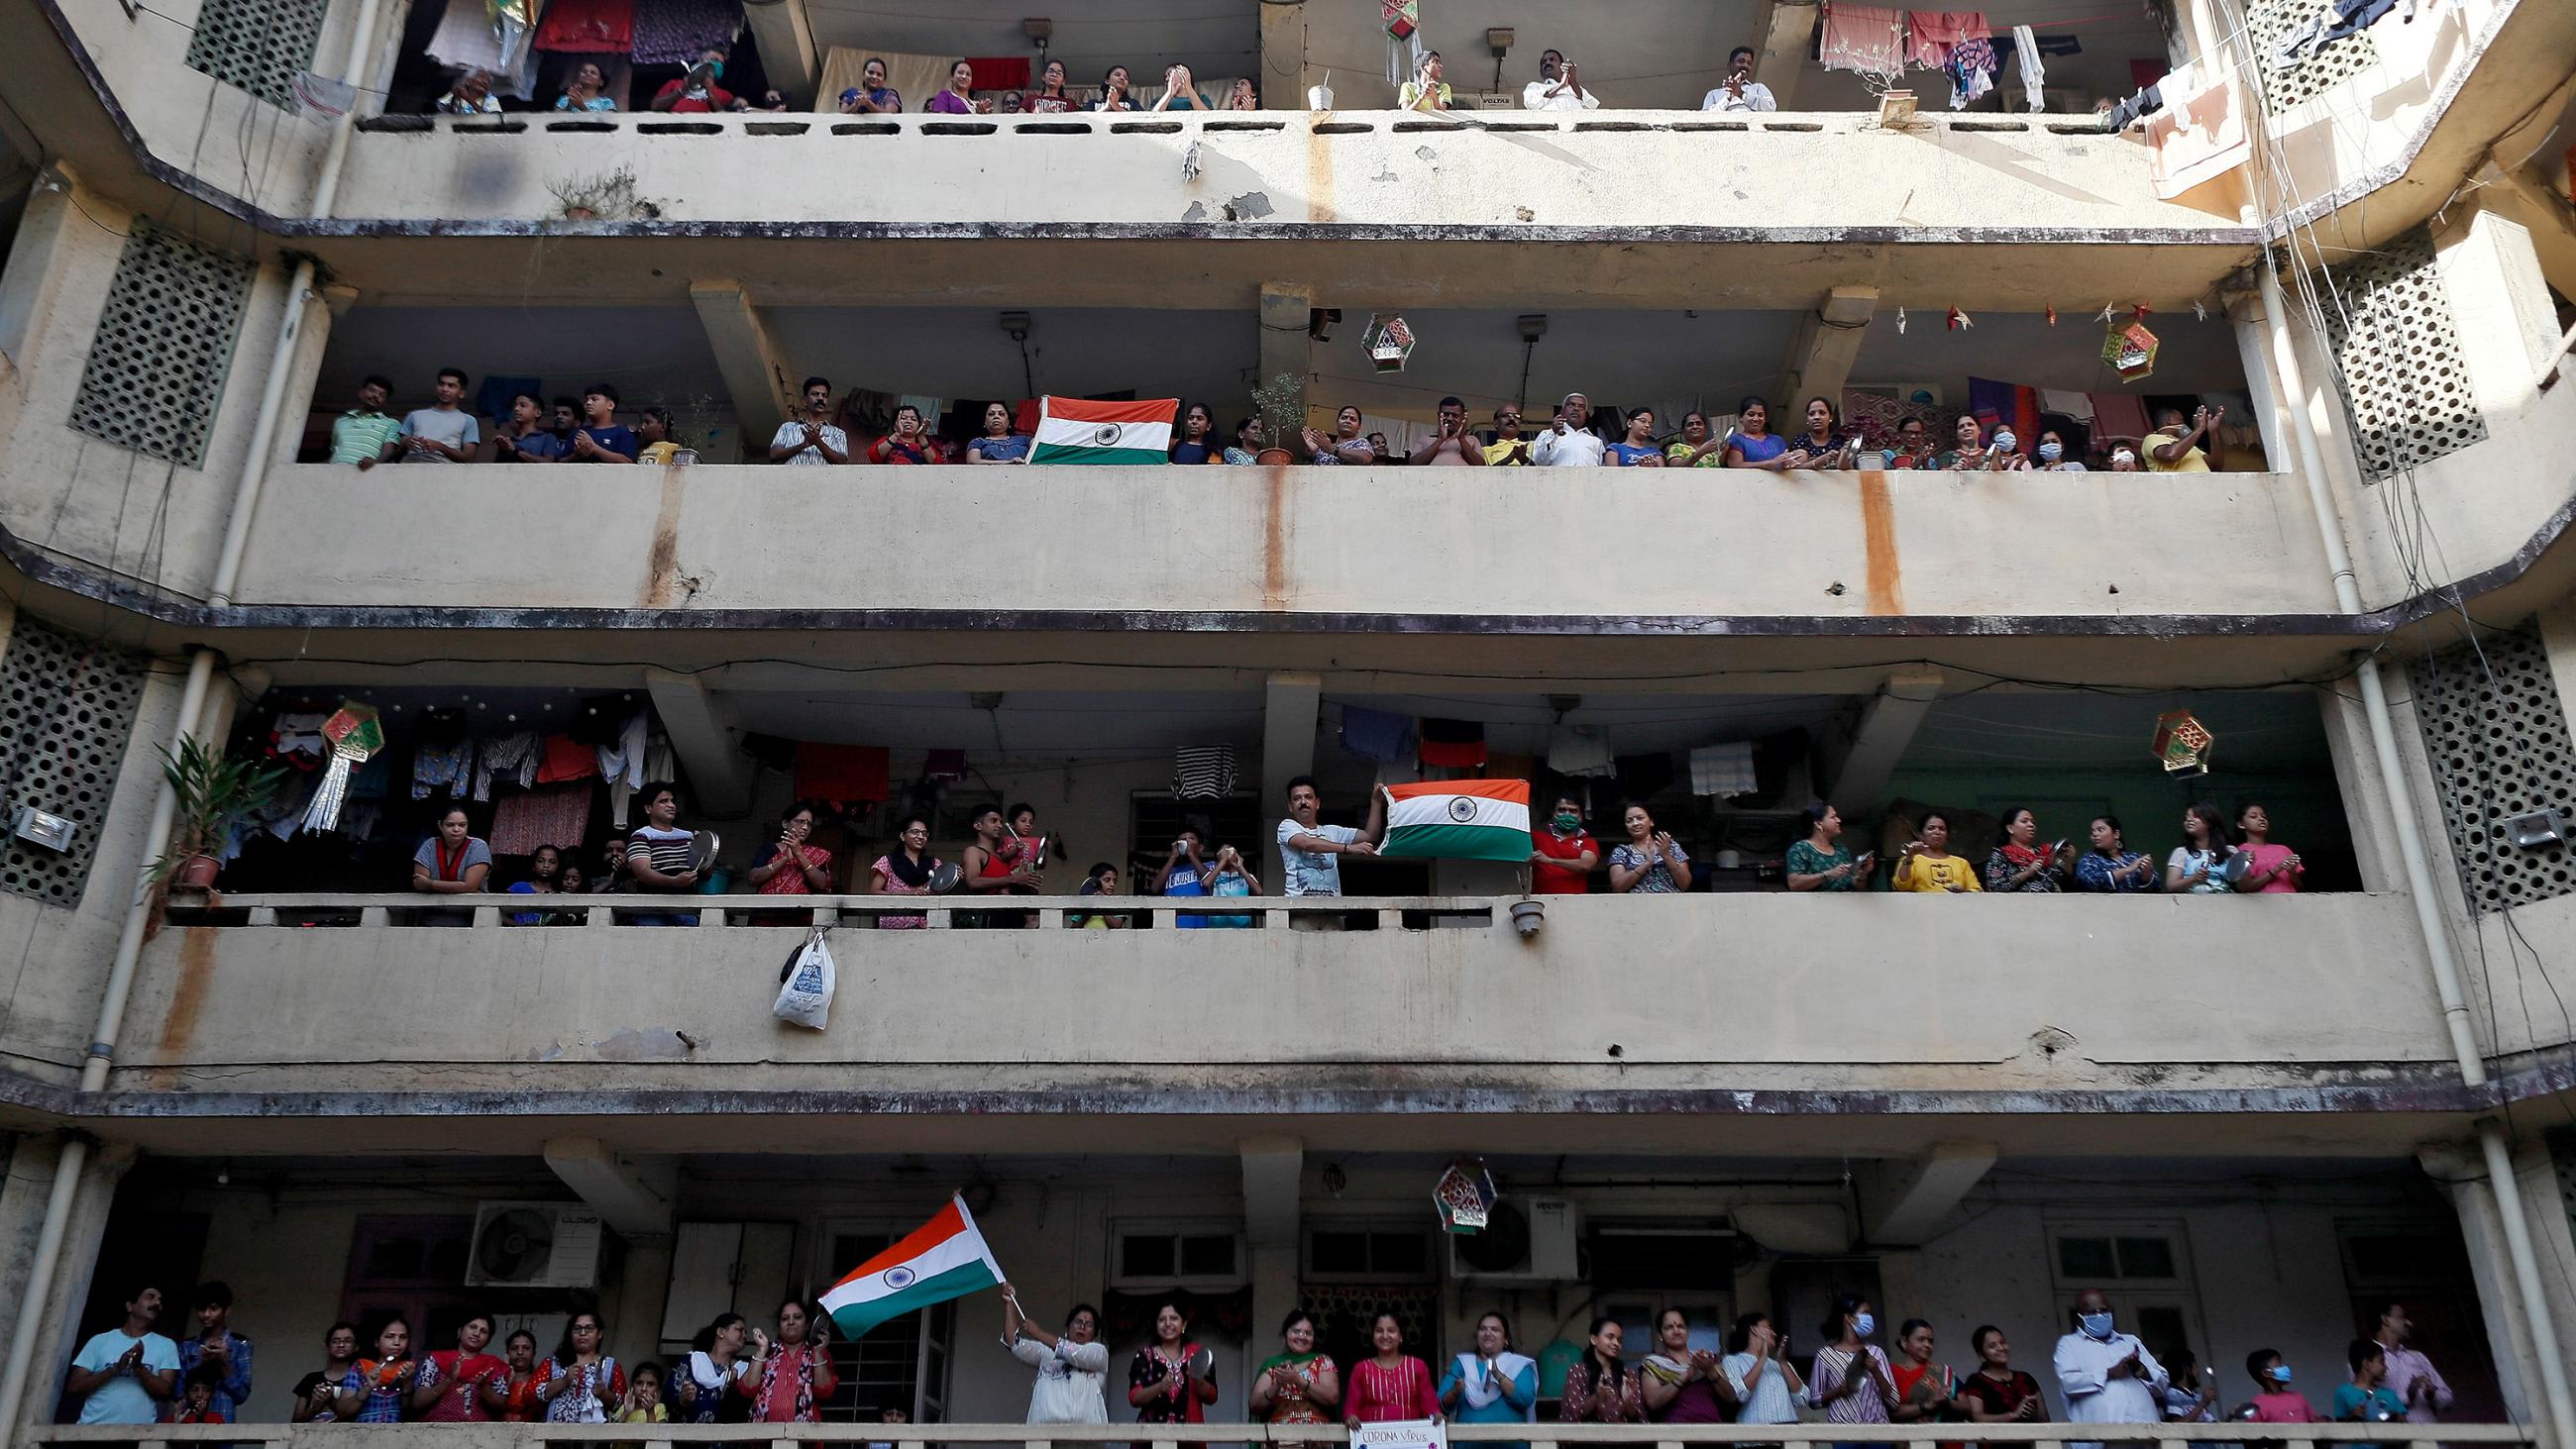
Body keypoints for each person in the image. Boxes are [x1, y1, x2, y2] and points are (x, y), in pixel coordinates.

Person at [2053, 1290, 2168, 1449]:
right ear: (2080, 1315)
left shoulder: (2130, 1342)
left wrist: (2139, 1368)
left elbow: (2162, 1385)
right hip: (2102, 1441)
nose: (2100, 1315)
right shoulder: (2069, 1344)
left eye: (2104, 1310)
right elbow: (2069, 1383)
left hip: (2147, 1436)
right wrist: (2109, 1373)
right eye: (2092, 1312)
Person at [64, 1281, 178, 1425]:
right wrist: (115, 1369)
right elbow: (74, 1386)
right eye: (150, 1297)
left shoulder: (166, 1345)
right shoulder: (100, 1341)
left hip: (137, 1435)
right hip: (91, 1431)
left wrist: (138, 1368)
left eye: (160, 1301)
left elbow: (165, 1392)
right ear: (130, 1306)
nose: (157, 1303)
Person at [1003, 1287, 1109, 1423]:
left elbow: (1074, 1353)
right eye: (1078, 1322)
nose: (1082, 1327)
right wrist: (1009, 1303)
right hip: (1045, 1436)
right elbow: (1014, 1343)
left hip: (1085, 1438)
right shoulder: (1046, 1352)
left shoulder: (1099, 1353)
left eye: (1089, 1324)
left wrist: (1038, 1333)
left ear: (1094, 1334)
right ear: (1067, 1328)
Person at [1278, 774, 1387, 902]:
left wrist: (1376, 802)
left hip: (1333, 908)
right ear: (1290, 806)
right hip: (1299, 908)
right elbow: (1307, 844)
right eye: (1297, 798)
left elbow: (1370, 836)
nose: (1303, 802)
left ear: (1317, 803)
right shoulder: (1286, 826)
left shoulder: (1332, 831)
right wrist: (1349, 848)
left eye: (1308, 797)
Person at [1808, 1294, 1899, 1434]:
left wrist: (1876, 1371)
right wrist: (1837, 1391)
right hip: (1843, 1433)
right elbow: (1814, 1401)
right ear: (1848, 1318)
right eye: (1865, 1313)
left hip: (1878, 1431)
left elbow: (1894, 1400)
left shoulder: (1876, 1353)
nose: (1870, 1318)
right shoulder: (1825, 1355)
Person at [1439, 1311, 1535, 1440]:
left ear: (1506, 1339)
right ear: (1477, 1336)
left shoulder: (1518, 1364)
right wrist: (1455, 1392)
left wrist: (1497, 1374)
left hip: (1511, 1444)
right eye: (1483, 1329)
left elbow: (1525, 1399)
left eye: (1495, 1329)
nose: (1488, 1333)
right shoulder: (1462, 1364)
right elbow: (1441, 1403)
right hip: (1468, 1444)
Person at [742, 1299, 838, 1424]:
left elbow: (825, 1392)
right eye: (785, 1318)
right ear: (779, 1326)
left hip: (804, 1437)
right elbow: (748, 1390)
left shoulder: (818, 1353)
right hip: (762, 1435)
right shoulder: (767, 1352)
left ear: (807, 1324)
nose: (791, 1322)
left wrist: (818, 1352)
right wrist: (761, 1350)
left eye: (797, 1317)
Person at [623, 782, 705, 925]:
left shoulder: (688, 836)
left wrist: (703, 848)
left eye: (672, 801)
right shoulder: (642, 835)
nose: (671, 805)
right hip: (652, 910)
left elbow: (705, 873)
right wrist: (674, 881)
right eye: (663, 801)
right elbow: (642, 873)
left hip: (685, 909)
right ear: (648, 808)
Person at [1128, 1300, 1218, 1428]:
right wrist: (1160, 1386)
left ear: (1184, 1325)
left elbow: (1212, 1397)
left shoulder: (1197, 1354)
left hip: (1189, 1438)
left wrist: (1199, 1381)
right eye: (1162, 1320)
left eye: (1174, 1318)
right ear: (1156, 1325)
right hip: (1150, 1438)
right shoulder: (1144, 1356)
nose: (1168, 1324)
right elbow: (1134, 1398)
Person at [173, 1280, 253, 1424]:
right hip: (188, 1425)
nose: (206, 1314)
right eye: (201, 1309)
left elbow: (241, 1395)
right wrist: (200, 1363)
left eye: (213, 1308)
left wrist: (224, 1363)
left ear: (227, 1310)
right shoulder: (187, 1346)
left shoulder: (241, 1344)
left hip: (223, 1423)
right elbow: (178, 1392)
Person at [1641, 1308, 1736, 1422]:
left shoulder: (1707, 1359)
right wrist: (1686, 1374)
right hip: (1677, 1433)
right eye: (1669, 1327)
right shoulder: (1655, 1365)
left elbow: (1730, 1397)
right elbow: (1653, 1402)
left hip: (1713, 1431)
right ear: (1660, 1335)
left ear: (1687, 1331)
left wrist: (1710, 1371)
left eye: (1681, 1326)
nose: (1676, 1331)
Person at [1343, 1312, 1440, 1424]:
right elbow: (1351, 1408)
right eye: (1379, 1331)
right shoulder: (1361, 1369)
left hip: (1412, 1438)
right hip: (1372, 1439)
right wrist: (1351, 1417)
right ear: (1373, 1337)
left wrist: (1436, 1415)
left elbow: (1430, 1406)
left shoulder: (1417, 1367)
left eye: (1391, 1331)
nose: (1385, 1336)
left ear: (1401, 1337)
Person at [1253, 1308, 1342, 1427]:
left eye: (1308, 1333)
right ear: (1285, 1335)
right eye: (1296, 1331)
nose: (1302, 1336)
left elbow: (1332, 1397)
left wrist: (1298, 1380)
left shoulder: (1322, 1361)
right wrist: (1276, 1385)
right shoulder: (1273, 1365)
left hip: (1317, 1437)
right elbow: (1254, 1405)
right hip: (1279, 1438)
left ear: (1313, 1338)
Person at [2369, 1300, 2454, 1424]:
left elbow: (2448, 1400)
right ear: (2385, 1320)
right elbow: (2372, 1409)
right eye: (2401, 1317)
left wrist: (2433, 1394)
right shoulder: (2366, 1361)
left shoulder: (2418, 1357)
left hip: (2433, 1438)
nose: (2409, 1322)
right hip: (2396, 1441)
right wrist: (2409, 1394)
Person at [1953, 1325, 2047, 1436]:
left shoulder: (2026, 1378)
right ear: (1982, 1355)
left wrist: (2033, 1415)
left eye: (2002, 1342)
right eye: (1992, 1346)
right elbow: (1977, 1417)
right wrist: (2013, 1415)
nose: (2001, 1348)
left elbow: (2045, 1419)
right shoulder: (1976, 1381)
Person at [412, 1310, 505, 1421]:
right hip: (437, 1430)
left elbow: (502, 1406)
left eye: (483, 1331)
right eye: (472, 1327)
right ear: (460, 1331)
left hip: (478, 1432)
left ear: (488, 1341)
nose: (477, 1333)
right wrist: (449, 1379)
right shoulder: (436, 1360)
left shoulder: (492, 1366)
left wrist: (484, 1386)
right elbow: (418, 1402)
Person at [535, 1312, 625, 1423]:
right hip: (554, 1435)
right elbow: (533, 1395)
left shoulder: (610, 1365)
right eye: (577, 1328)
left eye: (589, 1328)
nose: (583, 1333)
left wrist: (603, 1393)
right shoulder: (554, 1362)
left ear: (600, 1334)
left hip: (593, 1437)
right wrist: (564, 1381)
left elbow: (622, 1407)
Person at [1719, 1311, 1805, 1426]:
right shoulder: (1732, 1361)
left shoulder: (1780, 1365)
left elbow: (1802, 1399)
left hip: (1787, 1438)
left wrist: (1783, 1363)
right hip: (1755, 1440)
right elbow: (1740, 1395)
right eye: (1768, 1327)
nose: (1774, 1333)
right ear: (1754, 1330)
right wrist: (1762, 1358)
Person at [1561, 1315, 1646, 1422]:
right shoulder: (1578, 1371)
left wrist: (1628, 1400)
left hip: (1623, 1436)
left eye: (1619, 1340)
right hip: (1588, 1436)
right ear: (1594, 1339)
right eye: (1610, 1337)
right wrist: (1596, 1397)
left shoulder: (1628, 1374)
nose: (1616, 1343)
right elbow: (1573, 1414)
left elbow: (1638, 1418)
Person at [671, 1313, 750, 1423]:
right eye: (739, 1330)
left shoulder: (745, 1370)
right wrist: (683, 1399)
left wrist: (732, 1386)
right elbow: (668, 1399)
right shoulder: (693, 1360)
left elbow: (745, 1411)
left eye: (745, 1332)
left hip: (724, 1438)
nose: (744, 1335)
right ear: (720, 1332)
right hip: (684, 1436)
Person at [868, 813, 941, 929]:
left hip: (926, 927)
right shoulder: (888, 861)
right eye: (915, 832)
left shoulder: (934, 864)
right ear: (902, 836)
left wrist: (954, 875)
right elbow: (874, 892)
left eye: (924, 833)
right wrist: (907, 894)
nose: (920, 836)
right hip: (892, 930)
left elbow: (941, 888)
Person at [397, 366, 481, 464]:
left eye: (451, 385)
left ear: (461, 393)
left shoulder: (468, 420)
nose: (445, 389)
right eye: (441, 384)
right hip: (408, 467)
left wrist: (440, 447)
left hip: (444, 471)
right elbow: (396, 456)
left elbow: (469, 459)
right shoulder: (414, 415)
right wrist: (406, 443)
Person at [1888, 1320, 1959, 1435]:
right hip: (1902, 1439)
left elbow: (1968, 1407)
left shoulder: (1942, 1371)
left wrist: (1945, 1401)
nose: (1927, 1345)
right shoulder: (1891, 1372)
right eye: (1921, 1339)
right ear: (1904, 1342)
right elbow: (1890, 1412)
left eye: (1930, 1341)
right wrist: (1927, 1405)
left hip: (1939, 1439)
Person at [1608, 802, 1693, 892]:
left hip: (1670, 904)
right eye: (1629, 821)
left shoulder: (1670, 846)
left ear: (1651, 821)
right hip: (1636, 905)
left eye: (1640, 818)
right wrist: (1646, 864)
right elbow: (1618, 887)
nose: (1635, 823)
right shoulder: (1621, 851)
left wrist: (1666, 855)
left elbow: (1685, 884)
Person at [750, 802, 832, 895]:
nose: (805, 827)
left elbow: (821, 884)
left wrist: (799, 854)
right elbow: (753, 879)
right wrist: (784, 859)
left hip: (802, 907)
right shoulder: (768, 849)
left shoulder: (816, 854)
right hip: (769, 907)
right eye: (800, 821)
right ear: (785, 823)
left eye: (809, 824)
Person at [1786, 802, 1871, 890]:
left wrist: (1862, 874)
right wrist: (1827, 875)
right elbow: (1794, 884)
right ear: (1819, 824)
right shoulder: (1801, 849)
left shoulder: (1841, 850)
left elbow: (1857, 888)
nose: (1838, 820)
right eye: (1833, 817)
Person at [1985, 805, 2071, 892]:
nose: (2031, 825)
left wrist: (2068, 860)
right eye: (2024, 821)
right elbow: (1994, 886)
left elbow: (2068, 883)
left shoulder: (2043, 853)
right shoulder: (1999, 855)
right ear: (2010, 828)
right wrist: (2028, 872)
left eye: (2032, 822)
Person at [1892, 810, 1981, 892]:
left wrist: (1963, 892)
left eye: (1942, 829)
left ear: (1947, 836)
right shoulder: (1910, 860)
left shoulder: (1961, 863)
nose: (1937, 832)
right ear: (1921, 835)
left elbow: (1977, 891)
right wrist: (1909, 856)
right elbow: (1901, 887)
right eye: (1931, 828)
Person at [292, 1322, 364, 1423]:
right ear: (328, 1346)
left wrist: (331, 1400)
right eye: (335, 1341)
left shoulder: (361, 1379)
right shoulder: (311, 1378)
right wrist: (314, 1408)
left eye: (347, 1341)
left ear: (356, 1346)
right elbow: (296, 1422)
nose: (341, 1345)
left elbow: (356, 1419)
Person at [412, 806, 492, 894]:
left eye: (462, 825)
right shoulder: (430, 845)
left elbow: (470, 886)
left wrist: (430, 884)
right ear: (440, 825)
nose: (456, 829)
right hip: (433, 904)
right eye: (450, 825)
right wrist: (459, 886)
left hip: (473, 905)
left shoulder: (478, 846)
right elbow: (419, 883)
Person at [772, 377, 850, 466]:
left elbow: (842, 461)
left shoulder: (838, 433)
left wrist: (818, 442)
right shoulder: (787, 427)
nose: (821, 398)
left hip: (824, 479)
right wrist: (801, 446)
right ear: (804, 401)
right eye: (815, 394)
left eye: (824, 395)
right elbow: (774, 454)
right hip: (790, 478)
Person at [352, 1316, 417, 1423]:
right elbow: (344, 1411)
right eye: (390, 1336)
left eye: (403, 1337)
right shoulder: (360, 1367)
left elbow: (410, 1413)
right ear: (377, 1342)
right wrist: (367, 1387)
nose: (397, 1342)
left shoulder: (412, 1369)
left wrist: (407, 1383)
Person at [1531, 793, 1600, 892]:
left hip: (1575, 903)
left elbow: (1585, 865)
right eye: (1562, 810)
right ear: (1554, 814)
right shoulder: (1537, 837)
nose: (1567, 815)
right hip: (1542, 902)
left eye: (1573, 811)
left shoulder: (1588, 842)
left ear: (1580, 816)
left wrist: (1550, 860)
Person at [333, 375, 404, 468]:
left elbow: (389, 449)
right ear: (361, 393)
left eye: (382, 395)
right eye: (372, 391)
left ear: (385, 402)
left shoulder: (391, 423)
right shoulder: (341, 421)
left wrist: (375, 462)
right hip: (333, 473)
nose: (376, 396)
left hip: (366, 473)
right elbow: (334, 449)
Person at [2231, 802, 2305, 892]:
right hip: (2260, 905)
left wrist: (2291, 872)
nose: (2261, 819)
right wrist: (2278, 868)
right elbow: (2246, 888)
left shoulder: (2283, 849)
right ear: (2241, 824)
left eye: (2264, 816)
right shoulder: (2240, 851)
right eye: (2254, 817)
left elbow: (2300, 887)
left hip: (2291, 903)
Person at [2074, 815, 2158, 892]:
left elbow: (2156, 887)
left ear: (2116, 834)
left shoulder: (2133, 857)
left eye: (2100, 830)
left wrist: (2147, 873)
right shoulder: (2089, 859)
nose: (2095, 834)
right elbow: (2089, 881)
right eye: (2093, 832)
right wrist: (2127, 870)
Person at [2166, 801, 2234, 893]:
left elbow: (2244, 887)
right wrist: (2194, 878)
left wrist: (2243, 864)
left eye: (2196, 816)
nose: (2189, 820)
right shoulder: (2181, 852)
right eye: (2186, 818)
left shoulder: (2230, 851)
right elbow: (2171, 886)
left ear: (2210, 820)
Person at [654, 48, 747, 113]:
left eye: (721, 63)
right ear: (701, 60)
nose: (718, 65)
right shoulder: (675, 84)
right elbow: (655, 107)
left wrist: (710, 95)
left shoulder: (725, 95)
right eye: (715, 60)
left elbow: (730, 118)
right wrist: (681, 92)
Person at [2333, 1340, 2406, 1422]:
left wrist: (2395, 1417)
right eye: (2382, 1362)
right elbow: (2340, 1426)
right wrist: (2353, 1417)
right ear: (2367, 1364)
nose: (2386, 1368)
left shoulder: (2390, 1394)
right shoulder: (2343, 1392)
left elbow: (2405, 1424)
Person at [488, 389, 568, 463]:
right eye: (515, 405)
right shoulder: (510, 440)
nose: (516, 409)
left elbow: (548, 462)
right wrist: (503, 449)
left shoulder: (547, 438)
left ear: (538, 413)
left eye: (522, 405)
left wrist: (516, 451)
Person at [568, 383, 637, 463]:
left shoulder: (623, 433)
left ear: (610, 405)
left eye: (594, 399)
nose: (588, 403)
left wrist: (593, 447)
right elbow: (559, 462)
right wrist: (576, 455)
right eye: (586, 400)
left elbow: (627, 461)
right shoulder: (578, 433)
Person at [2244, 1349, 2317, 1423]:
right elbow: (2254, 1433)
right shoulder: (2257, 1407)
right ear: (2266, 1373)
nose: (2285, 1368)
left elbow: (2314, 1424)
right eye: (2278, 1365)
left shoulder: (2298, 1397)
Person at [485, 1327, 544, 1420]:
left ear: (534, 1354)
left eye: (526, 1348)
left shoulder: (542, 1380)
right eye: (514, 1348)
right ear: (507, 1353)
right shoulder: (494, 1379)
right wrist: (506, 1380)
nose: (520, 1352)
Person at [1534, 393, 1606, 466]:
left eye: (1581, 407)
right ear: (1562, 412)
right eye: (1571, 405)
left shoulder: (1596, 441)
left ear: (1586, 415)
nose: (1576, 409)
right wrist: (1553, 433)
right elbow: (1539, 462)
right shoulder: (1547, 434)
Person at [1411, 396, 1486, 466]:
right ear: (1438, 415)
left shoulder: (1472, 440)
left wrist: (1462, 439)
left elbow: (1481, 466)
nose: (1450, 419)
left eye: (1455, 415)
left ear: (1463, 418)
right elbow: (1413, 464)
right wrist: (1440, 440)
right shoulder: (1424, 440)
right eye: (1446, 414)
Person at [1785, 397, 1857, 468]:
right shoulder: (1801, 440)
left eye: (1822, 413)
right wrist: (1821, 460)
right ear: (1807, 419)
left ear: (1830, 417)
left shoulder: (1839, 441)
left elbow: (1847, 470)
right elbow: (1797, 470)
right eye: (1812, 414)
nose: (1816, 417)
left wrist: (1844, 455)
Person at [2147, 405, 2222, 471]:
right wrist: (2199, 429)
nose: (2184, 425)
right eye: (2181, 421)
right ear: (2169, 420)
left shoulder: (2190, 446)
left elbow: (2215, 467)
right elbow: (2170, 455)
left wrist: (2213, 433)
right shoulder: (2152, 438)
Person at [1703, 46, 1776, 110]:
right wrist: (1727, 99)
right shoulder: (1714, 94)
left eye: (1749, 63)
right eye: (1741, 61)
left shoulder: (1758, 88)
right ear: (1730, 65)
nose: (1745, 65)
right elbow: (1705, 119)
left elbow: (1771, 108)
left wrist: (1741, 94)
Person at [1725, 396, 1789, 469]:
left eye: (1760, 415)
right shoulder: (1736, 439)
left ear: (1765, 419)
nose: (1756, 418)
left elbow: (1785, 462)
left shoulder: (1777, 440)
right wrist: (1768, 464)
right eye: (1751, 414)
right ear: (1741, 418)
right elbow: (1735, 464)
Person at [1523, 49, 1599, 110]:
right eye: (1543, 62)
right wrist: (1561, 85)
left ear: (1562, 66)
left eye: (1552, 59)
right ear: (1540, 71)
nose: (1547, 63)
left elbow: (1591, 107)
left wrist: (1573, 81)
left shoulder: (1574, 87)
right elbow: (1532, 104)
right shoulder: (1534, 87)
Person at [1302, 405, 1376, 465]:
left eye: (1352, 419)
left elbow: (1366, 459)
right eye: (1344, 418)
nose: (1348, 421)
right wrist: (1315, 451)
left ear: (1359, 427)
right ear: (1336, 424)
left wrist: (1333, 450)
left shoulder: (1362, 442)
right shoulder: (1326, 449)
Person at [2159, 1349, 2218, 1423]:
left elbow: (2213, 1427)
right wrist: (2203, 1403)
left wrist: (2230, 1416)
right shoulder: (2173, 1394)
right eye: (2196, 1366)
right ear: (2188, 1369)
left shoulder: (2196, 1396)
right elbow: (2178, 1427)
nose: (2198, 1372)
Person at [869, 403, 935, 465]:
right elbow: (874, 457)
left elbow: (936, 464)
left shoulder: (924, 446)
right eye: (903, 418)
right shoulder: (886, 441)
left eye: (913, 419)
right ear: (895, 425)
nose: (908, 421)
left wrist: (921, 437)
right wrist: (897, 434)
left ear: (919, 426)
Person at [614, 1362, 670, 1430]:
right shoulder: (624, 1408)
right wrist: (626, 1413)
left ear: (658, 1389)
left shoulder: (659, 1408)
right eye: (639, 1383)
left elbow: (658, 1435)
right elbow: (610, 1432)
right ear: (632, 1385)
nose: (644, 1388)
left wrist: (650, 1412)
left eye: (650, 1384)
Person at [437, 65, 502, 114]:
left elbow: (492, 120)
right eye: (482, 77)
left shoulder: (490, 98)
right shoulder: (459, 92)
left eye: (488, 81)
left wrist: (468, 99)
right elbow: (444, 112)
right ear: (469, 81)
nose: (485, 82)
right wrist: (454, 99)